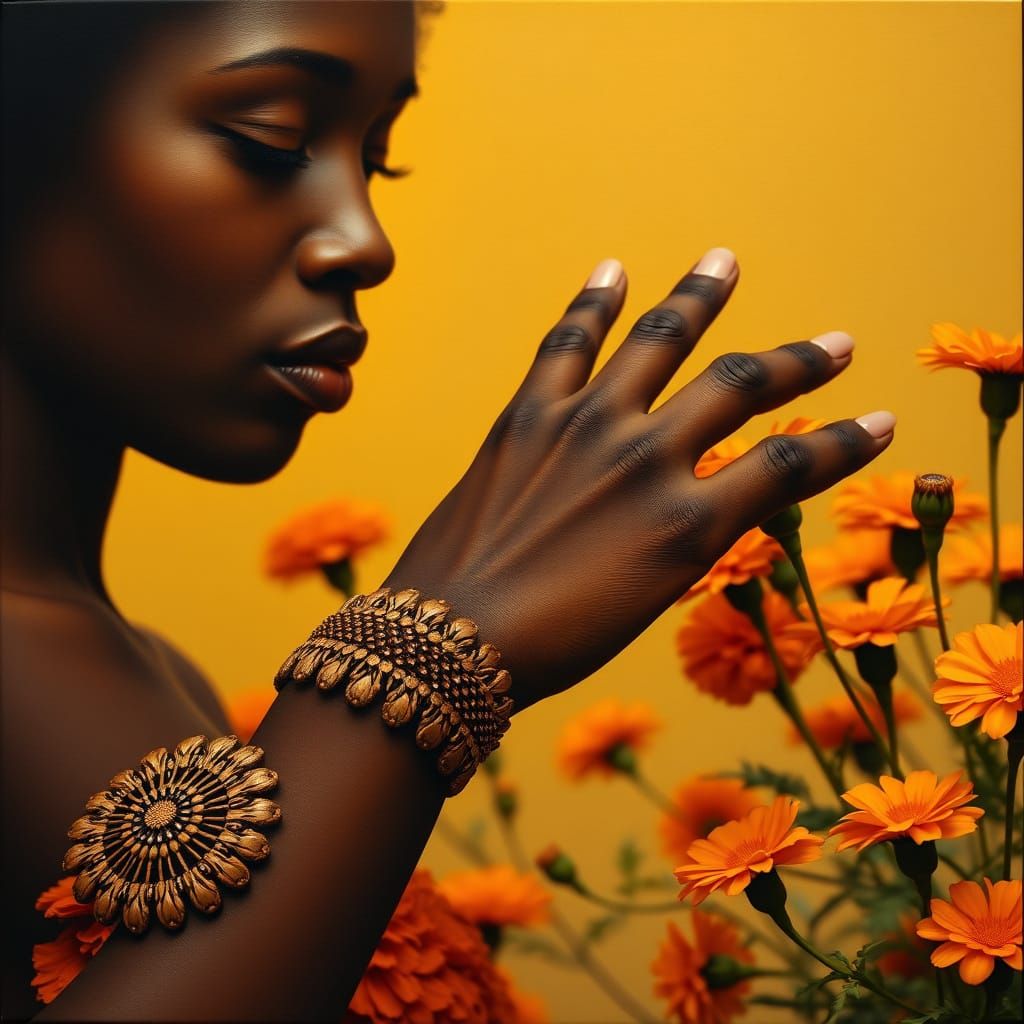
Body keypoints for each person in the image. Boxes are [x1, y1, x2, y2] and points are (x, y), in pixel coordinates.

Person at [0, 2, 896, 1019]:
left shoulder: (159, 677)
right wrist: (428, 649)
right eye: (272, 138)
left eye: (377, 158)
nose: (364, 241)